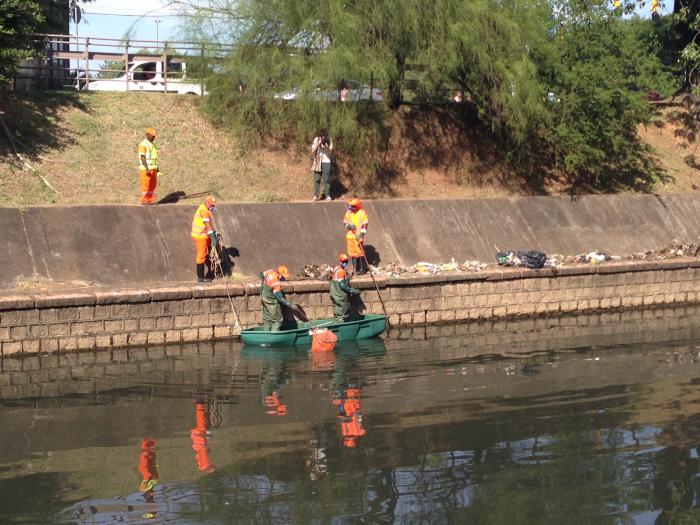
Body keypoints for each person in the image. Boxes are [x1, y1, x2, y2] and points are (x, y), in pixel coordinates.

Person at [260, 265, 296, 331]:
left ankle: (266, 335)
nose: (283, 279)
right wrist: (290, 305)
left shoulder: (270, 272)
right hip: (271, 302)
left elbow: (261, 274)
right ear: (280, 275)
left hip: (263, 300)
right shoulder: (276, 283)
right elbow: (280, 298)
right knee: (278, 320)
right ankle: (274, 336)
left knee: (267, 320)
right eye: (283, 277)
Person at [191, 196, 218, 282]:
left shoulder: (206, 209)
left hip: (203, 235)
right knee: (201, 256)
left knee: (205, 253)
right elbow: (207, 225)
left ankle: (209, 272)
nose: (213, 207)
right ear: (207, 202)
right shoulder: (204, 211)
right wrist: (213, 238)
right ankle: (201, 277)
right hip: (200, 236)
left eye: (213, 205)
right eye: (211, 205)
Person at [330, 253, 361, 320]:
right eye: (344, 262)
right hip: (340, 294)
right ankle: (341, 323)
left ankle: (337, 320)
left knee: (337, 308)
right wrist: (352, 291)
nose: (345, 263)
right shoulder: (341, 271)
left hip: (335, 293)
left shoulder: (336, 269)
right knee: (342, 308)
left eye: (346, 261)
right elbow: (343, 286)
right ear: (340, 262)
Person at [343, 198, 369, 275]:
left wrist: (361, 234)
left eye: (353, 206)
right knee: (352, 253)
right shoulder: (348, 213)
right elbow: (345, 223)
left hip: (358, 236)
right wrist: (349, 226)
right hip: (350, 236)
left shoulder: (362, 213)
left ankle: (362, 269)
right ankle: (356, 268)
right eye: (350, 206)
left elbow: (365, 225)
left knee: (359, 252)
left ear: (357, 206)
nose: (351, 207)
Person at [138, 127, 159, 205]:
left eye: (154, 136)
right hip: (146, 169)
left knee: (152, 185)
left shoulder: (153, 144)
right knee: (146, 186)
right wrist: (146, 168)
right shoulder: (143, 145)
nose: (154, 137)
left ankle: (150, 200)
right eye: (152, 136)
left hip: (153, 168)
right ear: (147, 135)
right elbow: (142, 157)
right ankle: (144, 200)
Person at [311, 132, 333, 201]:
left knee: (326, 179)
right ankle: (316, 196)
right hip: (318, 161)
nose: (323, 138)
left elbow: (331, 152)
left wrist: (327, 147)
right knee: (317, 179)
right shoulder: (317, 139)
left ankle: (328, 195)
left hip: (326, 161)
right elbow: (312, 150)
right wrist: (318, 143)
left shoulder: (329, 140)